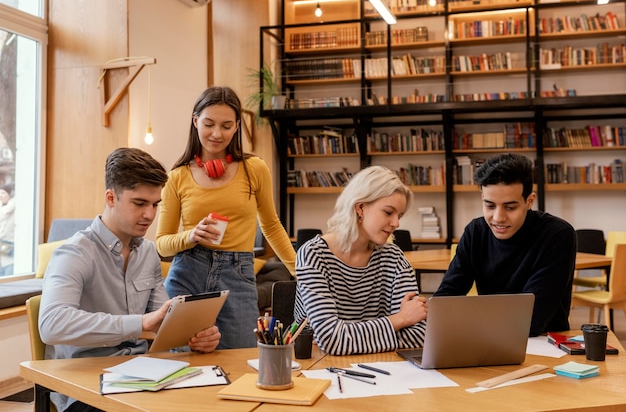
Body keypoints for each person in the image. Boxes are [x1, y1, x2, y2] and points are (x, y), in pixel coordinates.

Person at [39, 148, 221, 412]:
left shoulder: (147, 252)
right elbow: (51, 324)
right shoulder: (75, 252)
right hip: (86, 386)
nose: (149, 214)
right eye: (139, 203)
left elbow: (164, 321)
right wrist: (140, 323)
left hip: (140, 377)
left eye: (155, 204)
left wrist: (194, 336)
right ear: (111, 197)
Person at [156, 86, 296, 349]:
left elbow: (272, 226)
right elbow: (161, 243)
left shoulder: (254, 168)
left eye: (226, 125)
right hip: (187, 272)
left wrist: (302, 272)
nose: (217, 134)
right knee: (180, 362)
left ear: (236, 127)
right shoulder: (177, 177)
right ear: (195, 121)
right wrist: (191, 235)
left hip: (238, 275)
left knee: (241, 360)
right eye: (209, 124)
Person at [434, 153, 576, 337]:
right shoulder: (475, 231)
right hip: (487, 338)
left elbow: (531, 319)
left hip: (542, 342)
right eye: (490, 206)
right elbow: (446, 298)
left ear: (529, 201)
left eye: (510, 207)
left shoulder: (557, 235)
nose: (498, 218)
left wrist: (463, 317)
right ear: (482, 197)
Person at [293, 165, 427, 355]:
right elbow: (333, 340)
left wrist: (347, 338)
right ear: (361, 208)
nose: (397, 223)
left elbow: (420, 335)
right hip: (320, 369)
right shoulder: (313, 255)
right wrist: (401, 319)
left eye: (400, 215)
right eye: (388, 212)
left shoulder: (394, 257)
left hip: (383, 371)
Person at [0, 183, 15, 276]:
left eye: (3, 193)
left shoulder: (12, 208)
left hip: (10, 249)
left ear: (10, 194)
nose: (0, 196)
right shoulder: (3, 208)